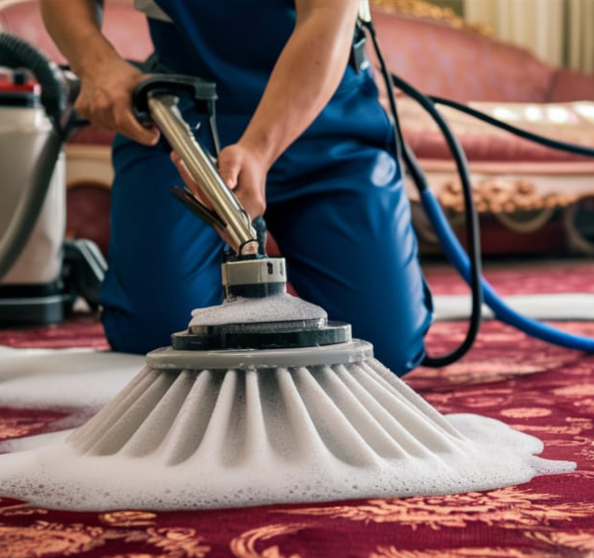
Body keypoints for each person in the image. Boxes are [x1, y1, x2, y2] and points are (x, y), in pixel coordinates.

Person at [41, 0, 432, 375]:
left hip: (325, 119)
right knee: (159, 337)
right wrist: (97, 65)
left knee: (382, 351)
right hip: (183, 116)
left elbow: (327, 17)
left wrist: (259, 149)